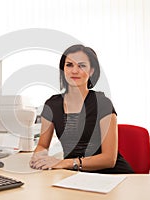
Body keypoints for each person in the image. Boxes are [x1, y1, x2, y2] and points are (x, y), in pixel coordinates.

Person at [29, 44, 134, 174]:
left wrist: (64, 163)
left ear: (91, 71)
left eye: (82, 65)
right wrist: (39, 157)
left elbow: (109, 159)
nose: (74, 71)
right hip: (75, 176)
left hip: (112, 176)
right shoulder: (52, 104)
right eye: (69, 65)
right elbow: (42, 145)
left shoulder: (102, 103)